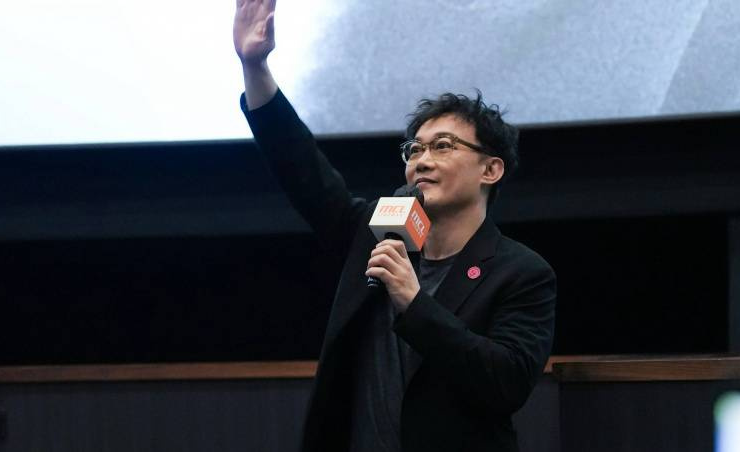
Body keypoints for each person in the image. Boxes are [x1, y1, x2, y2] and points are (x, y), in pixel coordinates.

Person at [233, 1, 556, 451]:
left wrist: (413, 302)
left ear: (491, 170)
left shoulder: (521, 273)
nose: (422, 160)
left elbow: (506, 384)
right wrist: (255, 67)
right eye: (414, 149)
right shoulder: (380, 233)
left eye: (443, 146)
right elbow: (303, 170)